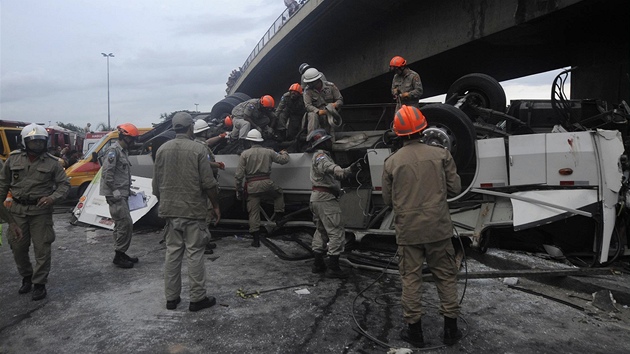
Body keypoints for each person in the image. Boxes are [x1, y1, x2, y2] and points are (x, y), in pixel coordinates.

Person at [381, 105, 462, 347]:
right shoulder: (441, 155)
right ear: (423, 127)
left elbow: (387, 200)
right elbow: (455, 188)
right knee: (446, 277)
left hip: (409, 231)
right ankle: (450, 331)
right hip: (438, 227)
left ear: (399, 133)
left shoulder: (391, 162)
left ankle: (415, 333)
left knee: (411, 279)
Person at [153, 112, 221, 312]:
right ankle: (197, 298)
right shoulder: (198, 150)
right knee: (195, 253)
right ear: (191, 127)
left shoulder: (162, 150)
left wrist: (166, 203)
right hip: (193, 211)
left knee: (172, 254)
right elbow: (209, 183)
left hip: (170, 212)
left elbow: (156, 186)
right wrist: (215, 205)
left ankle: (171, 299)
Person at [0, 123, 70, 301]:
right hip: (17, 212)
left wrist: (53, 198)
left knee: (42, 249)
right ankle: (26, 277)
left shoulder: (52, 163)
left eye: (41, 142)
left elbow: (64, 185)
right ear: (25, 142)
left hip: (41, 212)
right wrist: (7, 217)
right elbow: (3, 185)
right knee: (18, 248)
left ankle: (39, 283)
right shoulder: (13, 160)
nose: (37, 145)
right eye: (33, 142)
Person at [307, 129, 357, 278]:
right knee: (336, 231)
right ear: (323, 142)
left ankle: (318, 264)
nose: (331, 142)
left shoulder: (318, 156)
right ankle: (333, 268)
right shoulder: (322, 156)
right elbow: (330, 168)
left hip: (316, 197)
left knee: (320, 230)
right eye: (328, 140)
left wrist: (347, 170)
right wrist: (344, 171)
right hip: (325, 199)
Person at [234, 129, 289, 247]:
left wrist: (238, 189)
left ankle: (256, 240)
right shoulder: (269, 152)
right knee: (279, 193)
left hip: (252, 186)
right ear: (260, 141)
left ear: (249, 142)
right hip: (267, 183)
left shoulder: (245, 154)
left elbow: (238, 175)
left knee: (253, 212)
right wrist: (284, 153)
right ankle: (279, 216)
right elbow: (283, 161)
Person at [100, 123, 140, 269]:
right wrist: (116, 192)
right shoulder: (113, 151)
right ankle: (119, 255)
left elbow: (120, 174)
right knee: (125, 223)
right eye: (133, 139)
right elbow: (107, 175)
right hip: (115, 195)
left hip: (121, 193)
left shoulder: (122, 151)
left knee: (120, 224)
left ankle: (121, 253)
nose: (134, 142)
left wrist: (127, 191)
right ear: (125, 137)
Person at [193, 119, 226, 255]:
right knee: (207, 212)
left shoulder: (197, 144)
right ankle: (202, 243)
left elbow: (208, 142)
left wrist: (220, 137)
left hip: (200, 182)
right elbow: (205, 163)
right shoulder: (201, 147)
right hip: (205, 183)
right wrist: (217, 165)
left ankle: (205, 241)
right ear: (204, 131)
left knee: (207, 211)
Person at [302, 68, 343, 139]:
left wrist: (335, 105)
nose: (309, 84)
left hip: (330, 113)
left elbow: (340, 100)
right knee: (312, 115)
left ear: (317, 80)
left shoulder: (330, 86)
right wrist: (318, 111)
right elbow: (308, 106)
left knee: (329, 131)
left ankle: (330, 139)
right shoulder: (307, 91)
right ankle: (311, 139)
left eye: (311, 82)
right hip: (317, 114)